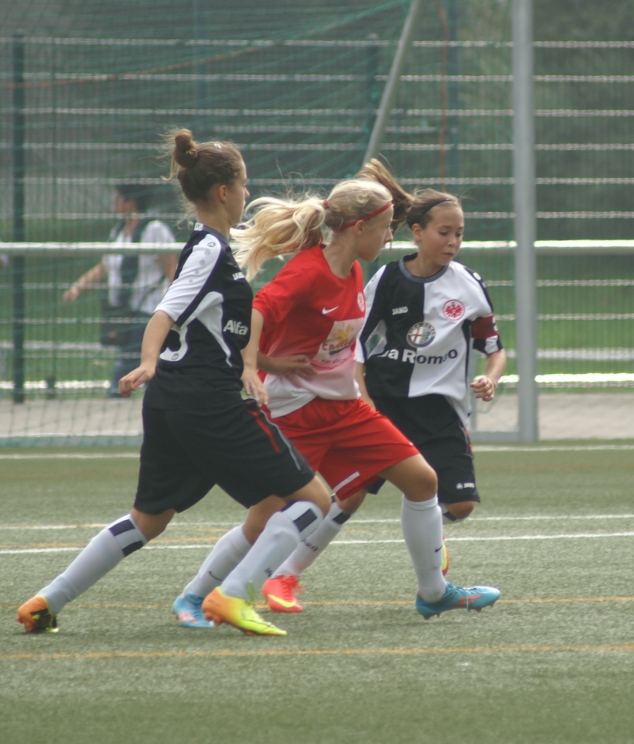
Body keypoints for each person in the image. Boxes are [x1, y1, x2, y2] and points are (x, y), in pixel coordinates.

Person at [17, 129, 331, 637]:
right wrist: (148, 361)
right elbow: (165, 311)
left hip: (175, 402)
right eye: (244, 184)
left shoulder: (211, 248)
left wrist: (251, 365)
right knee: (314, 500)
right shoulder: (207, 250)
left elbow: (214, 326)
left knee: (150, 518)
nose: (248, 192)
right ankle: (232, 595)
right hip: (207, 402)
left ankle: (45, 601)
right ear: (224, 192)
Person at [171, 167, 500, 624]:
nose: (390, 236)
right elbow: (256, 312)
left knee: (423, 481)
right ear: (359, 228)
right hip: (297, 411)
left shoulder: (356, 270)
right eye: (384, 228)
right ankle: (196, 596)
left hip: (344, 409)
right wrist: (256, 366)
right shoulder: (309, 271)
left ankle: (433, 592)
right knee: (267, 514)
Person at [261, 177, 507, 615]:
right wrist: (359, 392)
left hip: (438, 410)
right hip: (381, 401)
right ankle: (278, 576)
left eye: (459, 233)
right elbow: (353, 340)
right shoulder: (382, 278)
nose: (453, 241)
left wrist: (491, 376)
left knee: (456, 501)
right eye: (445, 232)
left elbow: (493, 345)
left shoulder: (468, 284)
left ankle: (432, 564)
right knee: (343, 496)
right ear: (418, 233)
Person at [64, 184, 178, 397]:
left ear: (131, 202)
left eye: (118, 198)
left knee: (128, 360)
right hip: (123, 309)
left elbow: (171, 269)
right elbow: (105, 267)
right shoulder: (118, 232)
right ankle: (157, 399)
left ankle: (115, 397)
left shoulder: (154, 230)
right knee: (144, 363)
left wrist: (176, 307)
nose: (114, 203)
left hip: (148, 309)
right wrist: (78, 287)